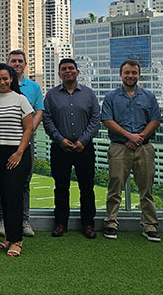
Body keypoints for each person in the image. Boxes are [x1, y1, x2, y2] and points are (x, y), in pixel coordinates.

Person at [101, 60, 162, 242]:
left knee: (146, 188)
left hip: (144, 148)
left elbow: (156, 119)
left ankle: (150, 225)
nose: (130, 76)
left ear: (139, 75)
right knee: (115, 186)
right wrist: (129, 136)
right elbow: (107, 120)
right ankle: (111, 222)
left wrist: (139, 137)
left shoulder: (149, 96)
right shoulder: (111, 97)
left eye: (134, 73)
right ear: (120, 74)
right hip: (119, 147)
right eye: (127, 72)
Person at [43, 58, 100, 239]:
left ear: (77, 72)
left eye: (71, 68)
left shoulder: (89, 94)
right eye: (64, 69)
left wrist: (83, 141)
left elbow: (95, 119)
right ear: (59, 73)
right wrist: (60, 140)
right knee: (61, 187)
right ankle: (61, 223)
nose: (68, 71)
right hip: (60, 149)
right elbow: (47, 120)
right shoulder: (51, 95)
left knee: (87, 187)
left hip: (85, 148)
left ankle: (88, 224)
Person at [0, 63, 34, 258]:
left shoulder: (20, 99)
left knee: (14, 196)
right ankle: (8, 237)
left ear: (11, 78)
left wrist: (19, 152)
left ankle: (17, 240)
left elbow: (29, 128)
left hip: (17, 154)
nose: (2, 82)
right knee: (3, 195)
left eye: (5, 78)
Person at [0, 49, 43, 238]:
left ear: (25, 64)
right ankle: (4, 219)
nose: (16, 64)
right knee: (3, 182)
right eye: (13, 61)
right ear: (7, 63)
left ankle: (24, 220)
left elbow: (39, 110)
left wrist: (29, 130)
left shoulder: (33, 87)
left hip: (25, 140)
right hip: (2, 140)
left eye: (20, 61)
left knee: (24, 181)